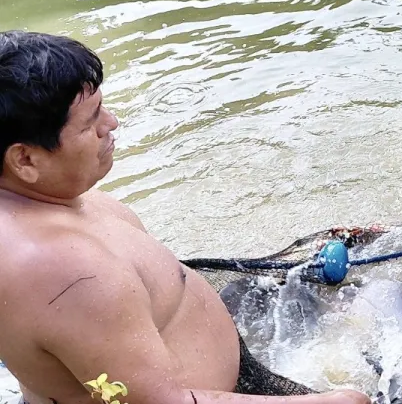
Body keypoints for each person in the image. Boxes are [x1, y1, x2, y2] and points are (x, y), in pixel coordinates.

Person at [0, 31, 369, 404]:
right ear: (25, 160)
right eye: (90, 121)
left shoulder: (45, 201)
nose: (112, 123)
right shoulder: (65, 272)